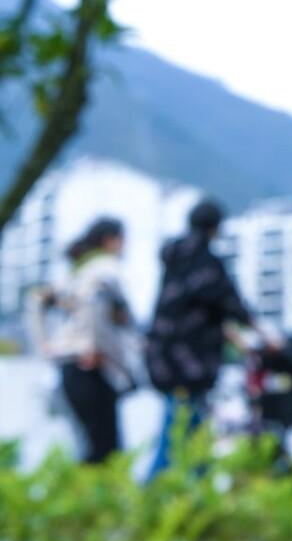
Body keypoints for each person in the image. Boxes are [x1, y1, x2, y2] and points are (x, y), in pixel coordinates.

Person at [145, 199, 254, 476]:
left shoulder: (174, 259)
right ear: (215, 228)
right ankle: (154, 492)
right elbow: (231, 305)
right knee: (178, 430)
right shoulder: (206, 263)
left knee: (190, 427)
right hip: (192, 362)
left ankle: (194, 488)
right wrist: (260, 334)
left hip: (164, 357)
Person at [32, 218, 135, 463]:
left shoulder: (76, 271)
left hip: (69, 363)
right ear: (111, 240)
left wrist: (45, 345)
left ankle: (86, 496)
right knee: (106, 447)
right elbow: (95, 305)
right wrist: (91, 346)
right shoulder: (106, 268)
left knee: (88, 443)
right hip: (92, 365)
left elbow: (37, 301)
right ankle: (101, 499)